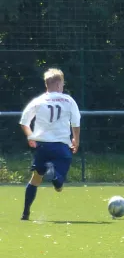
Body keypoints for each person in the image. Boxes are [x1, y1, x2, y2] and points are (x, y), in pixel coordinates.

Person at [19, 68, 81, 221]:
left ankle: (25, 213)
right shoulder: (68, 100)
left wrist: (30, 136)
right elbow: (76, 122)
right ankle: (55, 175)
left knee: (35, 178)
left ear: (47, 84)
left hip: (41, 146)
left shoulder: (38, 101)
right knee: (59, 185)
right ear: (59, 84)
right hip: (61, 145)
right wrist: (76, 140)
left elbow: (24, 122)